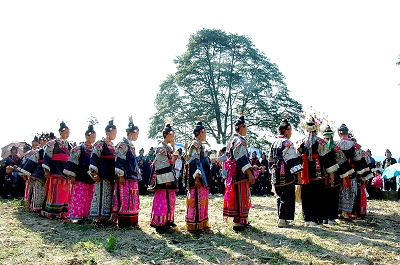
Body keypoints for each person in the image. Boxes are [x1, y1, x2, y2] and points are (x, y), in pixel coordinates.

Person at [296, 116, 339, 226]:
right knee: (317, 195)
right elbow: (327, 159)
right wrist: (332, 174)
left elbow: (296, 158)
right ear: (317, 129)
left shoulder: (299, 142)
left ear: (306, 129)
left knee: (306, 195)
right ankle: (315, 219)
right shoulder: (321, 142)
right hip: (317, 169)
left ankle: (307, 219)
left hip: (304, 170)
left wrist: (297, 174)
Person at [268, 118, 302, 228]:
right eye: (291, 130)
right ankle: (283, 220)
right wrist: (298, 175)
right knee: (287, 195)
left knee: (280, 195)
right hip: (285, 172)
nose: (291, 133)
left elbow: (270, 159)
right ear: (286, 130)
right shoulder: (287, 143)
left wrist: (271, 170)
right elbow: (291, 160)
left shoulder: (274, 142)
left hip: (275, 171)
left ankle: (281, 218)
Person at [223, 116, 255, 231]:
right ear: (242, 127)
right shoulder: (239, 140)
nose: (246, 129)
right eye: (246, 127)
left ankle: (240, 221)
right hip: (240, 173)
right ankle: (239, 222)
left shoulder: (232, 139)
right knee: (240, 195)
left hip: (234, 172)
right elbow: (241, 158)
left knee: (237, 195)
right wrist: (249, 173)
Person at [63, 122, 97, 222]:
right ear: (87, 136)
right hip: (80, 177)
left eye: (95, 137)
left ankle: (88, 215)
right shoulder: (78, 149)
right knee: (79, 197)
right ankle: (77, 216)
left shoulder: (95, 149)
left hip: (91, 178)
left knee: (90, 197)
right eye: (92, 137)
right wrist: (72, 176)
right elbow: (72, 162)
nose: (93, 139)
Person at [112, 117, 142, 228]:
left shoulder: (131, 145)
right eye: (136, 134)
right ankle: (125, 222)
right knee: (125, 198)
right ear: (131, 133)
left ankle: (133, 221)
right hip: (125, 177)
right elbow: (120, 161)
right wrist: (121, 175)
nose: (137, 136)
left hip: (132, 176)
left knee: (133, 199)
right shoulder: (123, 144)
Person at [148, 124, 178, 232]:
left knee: (170, 198)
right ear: (165, 135)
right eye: (171, 134)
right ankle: (160, 222)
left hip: (169, 176)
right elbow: (161, 165)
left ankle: (168, 221)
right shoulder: (161, 148)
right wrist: (167, 179)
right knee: (163, 199)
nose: (173, 136)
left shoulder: (168, 148)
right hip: (164, 178)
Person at [335, 124, 368, 221]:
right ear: (347, 133)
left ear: (338, 133)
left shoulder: (335, 144)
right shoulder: (355, 145)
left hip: (338, 173)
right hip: (352, 172)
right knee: (351, 192)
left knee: (339, 192)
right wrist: (362, 174)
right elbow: (361, 158)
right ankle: (349, 213)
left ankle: (339, 213)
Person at [89, 119, 117, 226]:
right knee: (101, 195)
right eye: (113, 133)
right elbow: (94, 157)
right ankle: (99, 219)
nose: (114, 135)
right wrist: (94, 173)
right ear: (107, 132)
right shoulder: (100, 144)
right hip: (102, 175)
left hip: (110, 175)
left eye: (116, 133)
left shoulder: (114, 146)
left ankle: (107, 218)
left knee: (108, 197)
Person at [41, 121, 72, 219]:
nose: (68, 134)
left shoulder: (69, 145)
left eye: (69, 132)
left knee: (65, 191)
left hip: (65, 170)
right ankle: (52, 211)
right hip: (55, 169)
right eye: (66, 132)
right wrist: (47, 170)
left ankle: (63, 211)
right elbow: (47, 156)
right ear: (61, 132)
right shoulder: (52, 143)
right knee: (55, 190)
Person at [185, 122, 211, 231]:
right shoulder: (195, 144)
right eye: (204, 132)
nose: (205, 134)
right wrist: (197, 177)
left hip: (203, 177)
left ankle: (202, 222)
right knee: (196, 199)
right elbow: (194, 162)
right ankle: (195, 223)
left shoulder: (200, 145)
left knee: (202, 199)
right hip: (198, 178)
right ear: (199, 133)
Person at [20, 135, 47, 212]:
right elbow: (29, 162)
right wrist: (25, 173)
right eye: (34, 145)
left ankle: (40, 206)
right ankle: (34, 207)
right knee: (36, 190)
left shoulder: (49, 149)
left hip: (44, 173)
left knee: (41, 191)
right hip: (37, 173)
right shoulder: (36, 151)